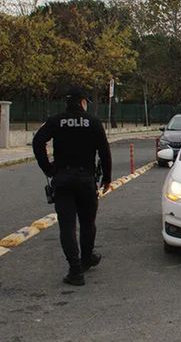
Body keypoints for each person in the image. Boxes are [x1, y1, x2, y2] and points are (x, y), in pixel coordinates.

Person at [32, 87, 112, 286]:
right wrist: (107, 178)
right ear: (83, 102)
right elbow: (104, 151)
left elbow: (37, 142)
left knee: (67, 226)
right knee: (87, 222)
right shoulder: (93, 122)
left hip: (63, 179)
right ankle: (86, 258)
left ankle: (75, 270)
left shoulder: (56, 120)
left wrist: (48, 168)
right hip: (86, 179)